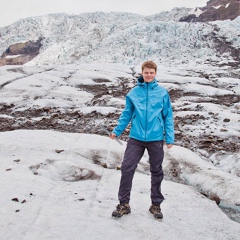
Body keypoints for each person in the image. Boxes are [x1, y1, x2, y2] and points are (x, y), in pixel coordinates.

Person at [109, 61, 174, 219]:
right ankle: (124, 204)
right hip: (136, 138)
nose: (149, 75)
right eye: (146, 72)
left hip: (156, 138)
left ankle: (156, 205)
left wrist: (170, 137)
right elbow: (127, 114)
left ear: (155, 73)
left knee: (156, 171)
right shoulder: (133, 93)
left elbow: (168, 116)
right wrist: (117, 131)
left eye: (151, 72)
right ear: (142, 73)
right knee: (127, 168)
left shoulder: (162, 93)